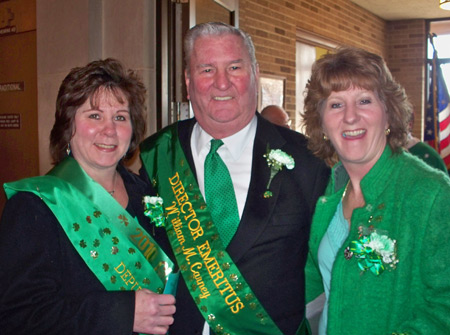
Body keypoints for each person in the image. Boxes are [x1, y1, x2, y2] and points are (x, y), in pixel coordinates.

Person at [139, 22, 329, 335]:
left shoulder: (308, 162)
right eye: (206, 69)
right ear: (188, 81)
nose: (222, 83)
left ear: (255, 73)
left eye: (235, 67)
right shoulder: (158, 156)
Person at [0, 58, 176, 334]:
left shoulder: (147, 194)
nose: (109, 130)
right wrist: (123, 313)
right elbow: (19, 318)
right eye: (94, 116)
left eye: (120, 117)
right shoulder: (35, 205)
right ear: (68, 126)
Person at [302, 47, 450, 335]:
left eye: (364, 100)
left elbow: (444, 308)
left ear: (388, 112)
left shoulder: (430, 194)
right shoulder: (328, 191)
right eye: (335, 104)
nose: (350, 117)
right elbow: (311, 282)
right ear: (321, 122)